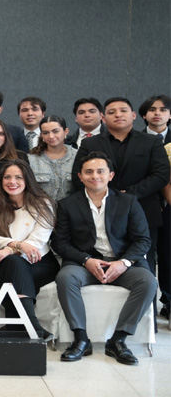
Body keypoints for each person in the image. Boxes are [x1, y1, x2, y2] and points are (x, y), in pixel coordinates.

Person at [52, 151, 156, 365]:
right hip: (85, 263)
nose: (95, 176)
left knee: (148, 282)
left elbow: (143, 240)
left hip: (122, 263)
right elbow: (60, 243)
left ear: (110, 175)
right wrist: (86, 260)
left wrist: (123, 263)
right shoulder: (67, 204)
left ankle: (118, 340)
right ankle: (81, 339)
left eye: (100, 171)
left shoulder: (128, 201)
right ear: (80, 176)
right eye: (88, 172)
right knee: (65, 278)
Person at [73, 97, 170, 310]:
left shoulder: (151, 142)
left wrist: (128, 196)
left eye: (123, 110)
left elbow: (161, 174)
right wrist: (108, 196)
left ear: (133, 115)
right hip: (98, 212)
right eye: (112, 112)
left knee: (144, 265)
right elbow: (77, 176)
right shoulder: (90, 143)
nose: (118, 114)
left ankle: (148, 318)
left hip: (144, 210)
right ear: (103, 118)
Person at [0, 159, 58, 340]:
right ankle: (33, 327)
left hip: (37, 260)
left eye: (18, 177)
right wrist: (17, 246)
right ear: (1, 180)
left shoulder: (43, 203)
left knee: (11, 276)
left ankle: (14, 328)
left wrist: (9, 250)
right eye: (7, 177)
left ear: (27, 180)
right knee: (14, 265)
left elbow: (39, 239)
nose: (12, 182)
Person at [138, 95, 171, 318]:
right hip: (145, 208)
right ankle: (147, 306)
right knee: (147, 256)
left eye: (163, 109)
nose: (157, 113)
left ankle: (168, 301)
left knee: (168, 256)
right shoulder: (136, 140)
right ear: (143, 115)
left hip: (170, 209)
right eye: (152, 109)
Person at [27, 116, 77, 201]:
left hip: (71, 207)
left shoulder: (76, 156)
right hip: (41, 207)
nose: (51, 136)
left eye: (55, 131)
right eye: (45, 133)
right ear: (41, 135)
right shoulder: (32, 159)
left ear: (66, 131)